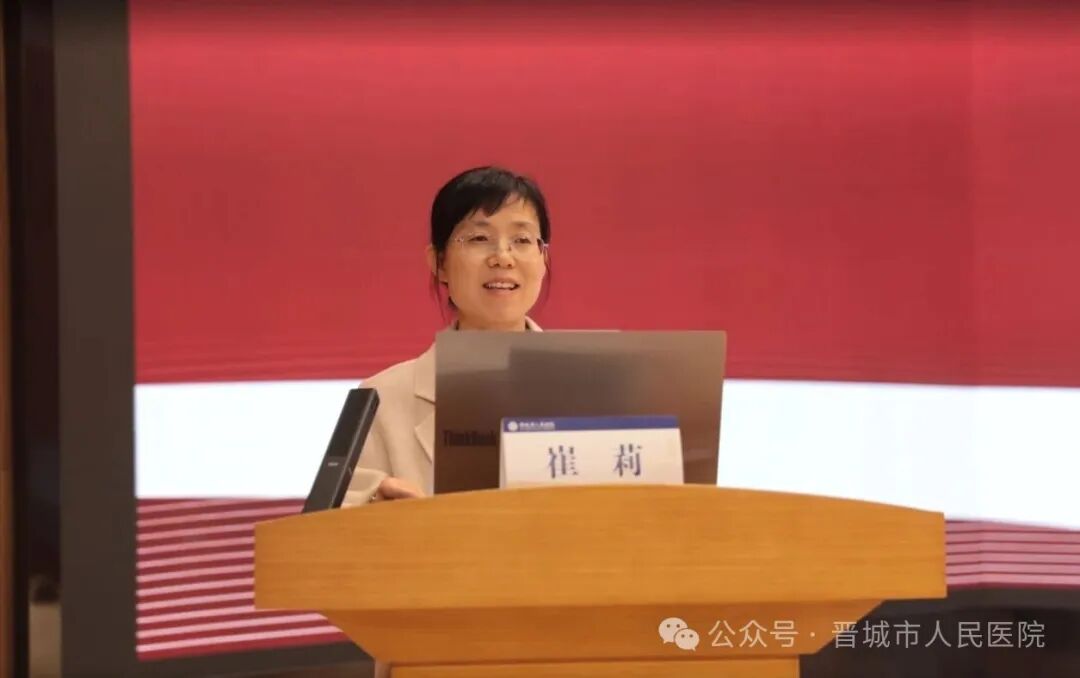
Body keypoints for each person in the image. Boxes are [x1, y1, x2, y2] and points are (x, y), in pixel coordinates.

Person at [342, 166, 551, 507]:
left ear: (543, 259)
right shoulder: (380, 400)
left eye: (522, 240)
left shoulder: (596, 389)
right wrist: (378, 511)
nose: (503, 257)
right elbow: (333, 525)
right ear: (439, 262)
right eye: (479, 238)